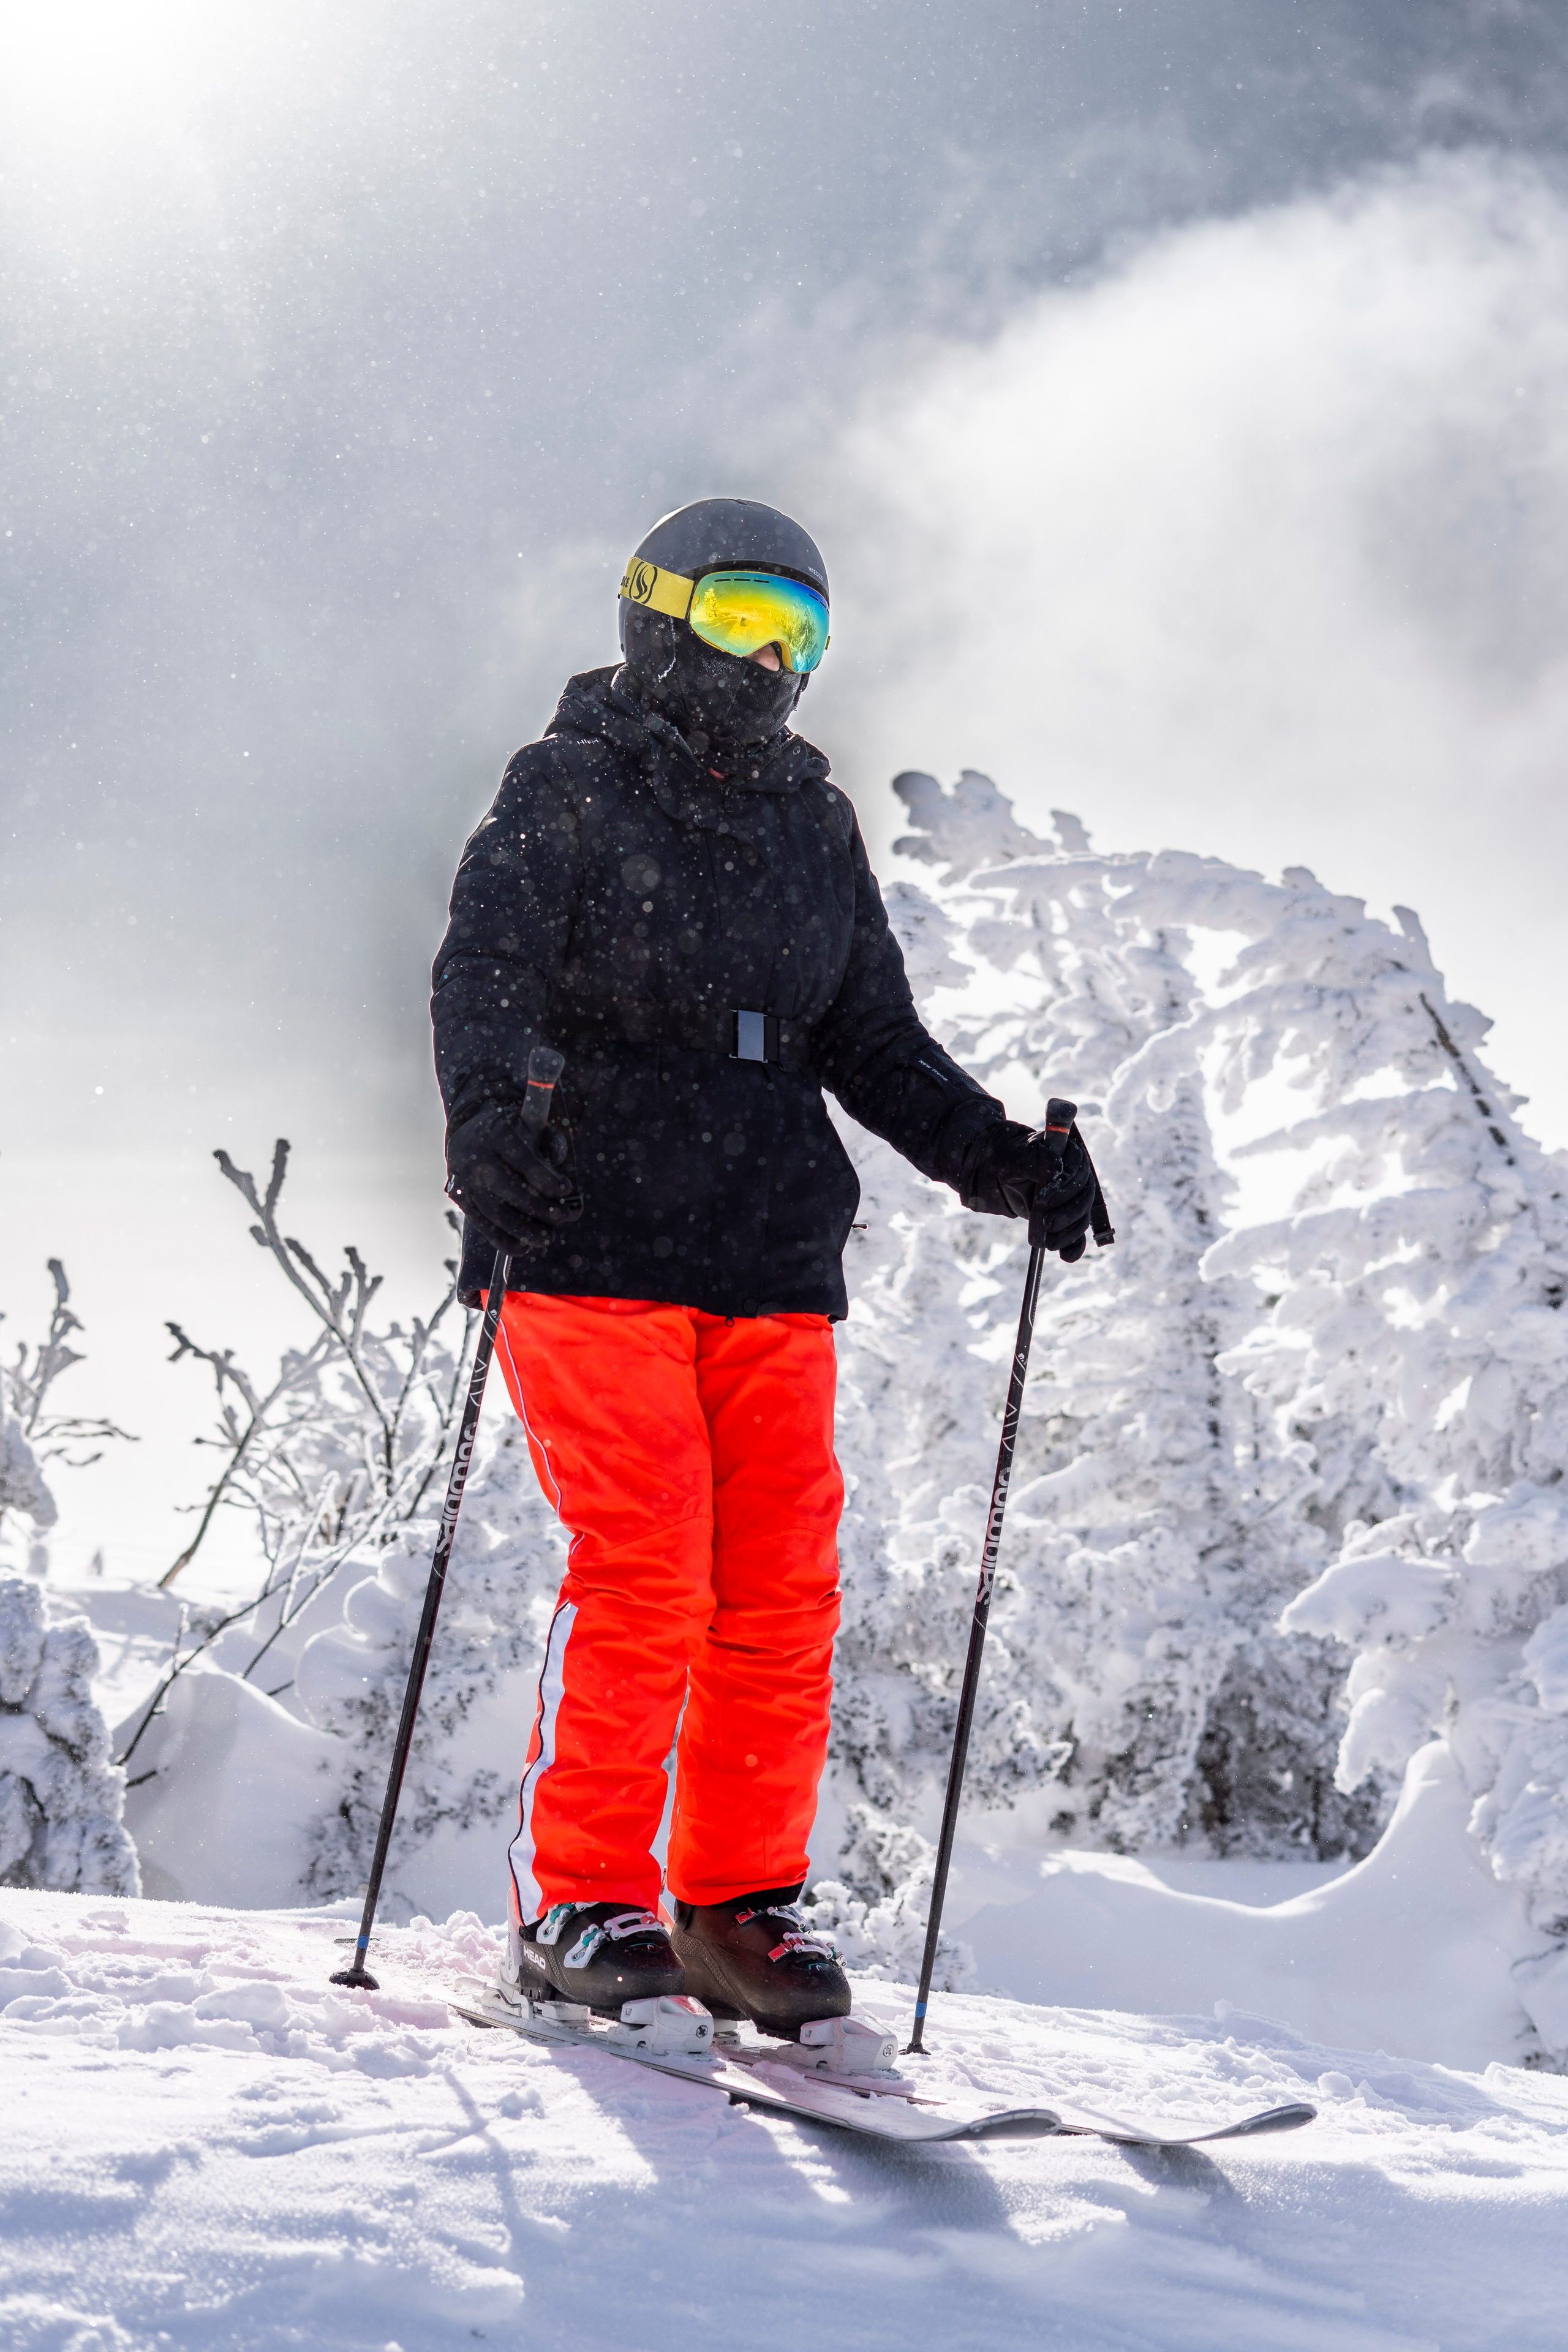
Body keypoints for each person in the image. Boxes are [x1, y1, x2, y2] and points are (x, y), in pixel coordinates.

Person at [432, 496, 1103, 2035]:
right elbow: (483, 971)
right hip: (588, 1232)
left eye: (799, 635)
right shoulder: (569, 786)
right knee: (652, 1560)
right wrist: (487, 1124)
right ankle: (581, 1899)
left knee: (782, 1585)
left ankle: (736, 1905)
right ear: (656, 615)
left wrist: (1000, 1159)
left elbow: (867, 1040)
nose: (773, 662)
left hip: (765, 1257)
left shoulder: (810, 819)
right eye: (742, 620)